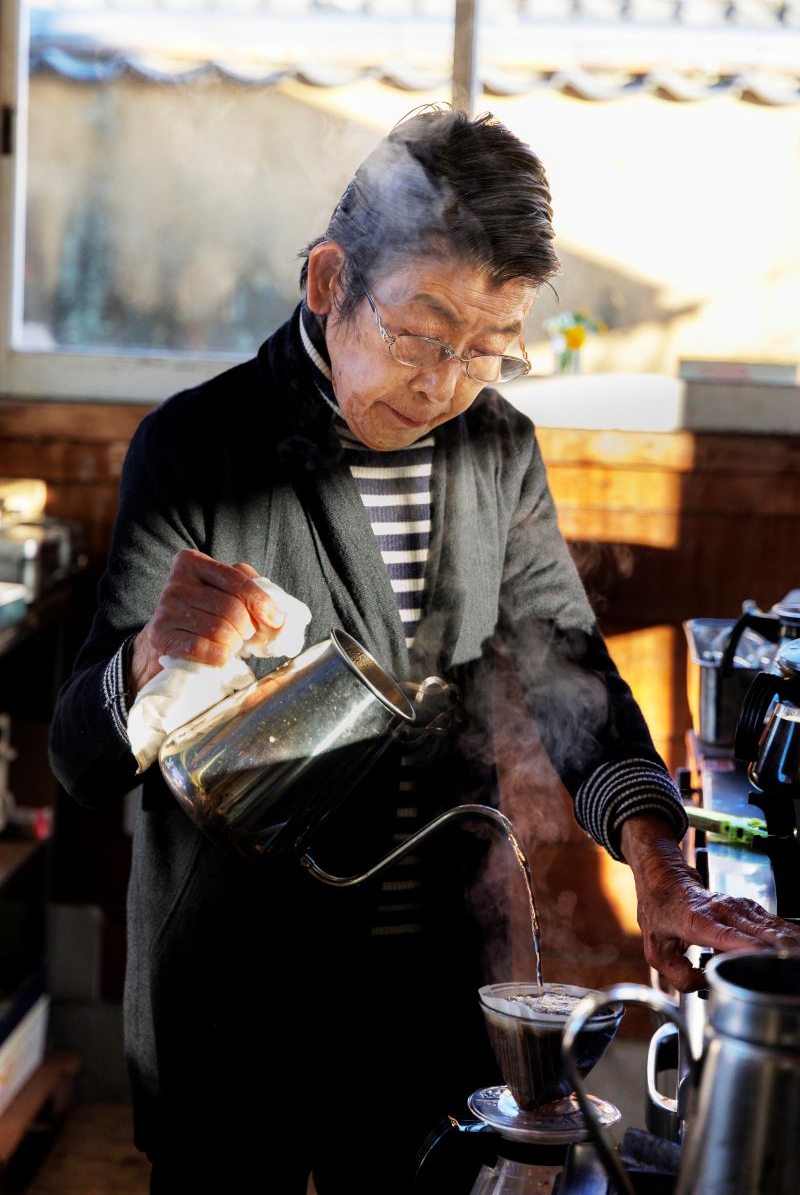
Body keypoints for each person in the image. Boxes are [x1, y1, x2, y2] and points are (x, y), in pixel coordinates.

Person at [49, 107, 799, 1194]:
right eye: (420, 334)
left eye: (486, 349)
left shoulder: (496, 449)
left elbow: (571, 680)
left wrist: (658, 868)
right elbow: (78, 760)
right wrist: (141, 670)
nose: (445, 382)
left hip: (428, 987)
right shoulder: (200, 448)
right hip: (236, 986)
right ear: (325, 284)